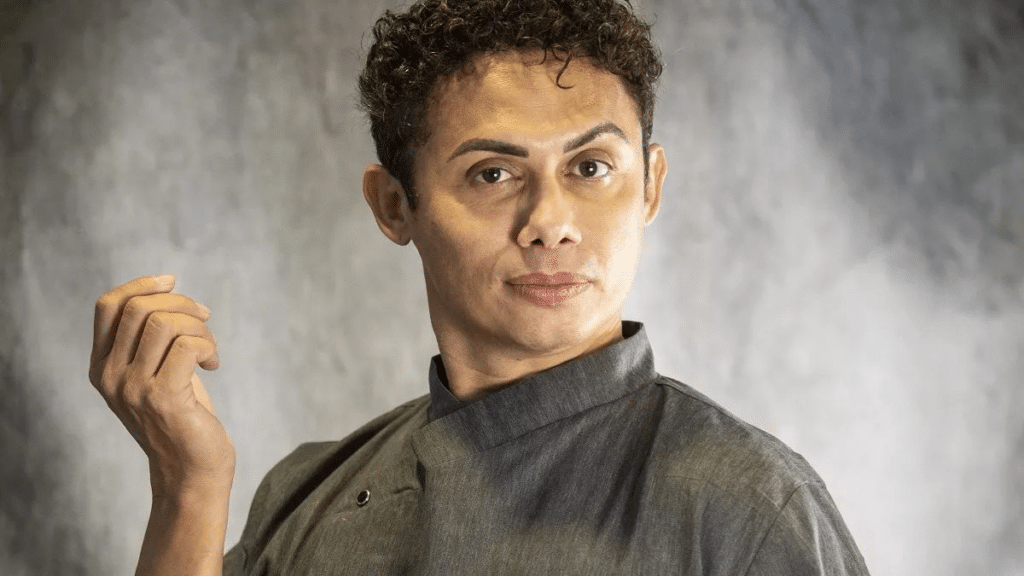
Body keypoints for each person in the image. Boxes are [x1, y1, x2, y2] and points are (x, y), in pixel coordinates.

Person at [89, 0, 871, 574]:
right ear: (394, 206)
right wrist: (189, 486)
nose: (550, 222)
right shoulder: (307, 496)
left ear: (650, 186)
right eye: (493, 173)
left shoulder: (749, 508)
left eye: (591, 167)